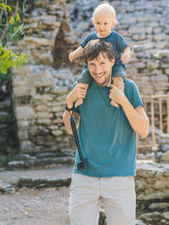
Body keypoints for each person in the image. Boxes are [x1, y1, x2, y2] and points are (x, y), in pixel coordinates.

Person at [63, 39, 149, 225]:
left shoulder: (129, 87)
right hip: (84, 176)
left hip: (120, 176)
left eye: (102, 63)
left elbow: (143, 129)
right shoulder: (81, 88)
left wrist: (123, 100)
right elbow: (70, 128)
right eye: (92, 64)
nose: (97, 70)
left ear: (112, 61)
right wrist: (69, 103)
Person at [69, 3, 133, 108]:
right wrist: (75, 53)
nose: (101, 27)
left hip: (116, 65)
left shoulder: (116, 37)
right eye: (98, 23)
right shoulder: (91, 36)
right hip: (93, 66)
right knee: (82, 81)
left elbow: (126, 48)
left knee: (118, 80)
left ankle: (116, 98)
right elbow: (82, 47)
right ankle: (79, 98)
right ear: (93, 22)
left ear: (112, 24)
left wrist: (127, 53)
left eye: (105, 23)